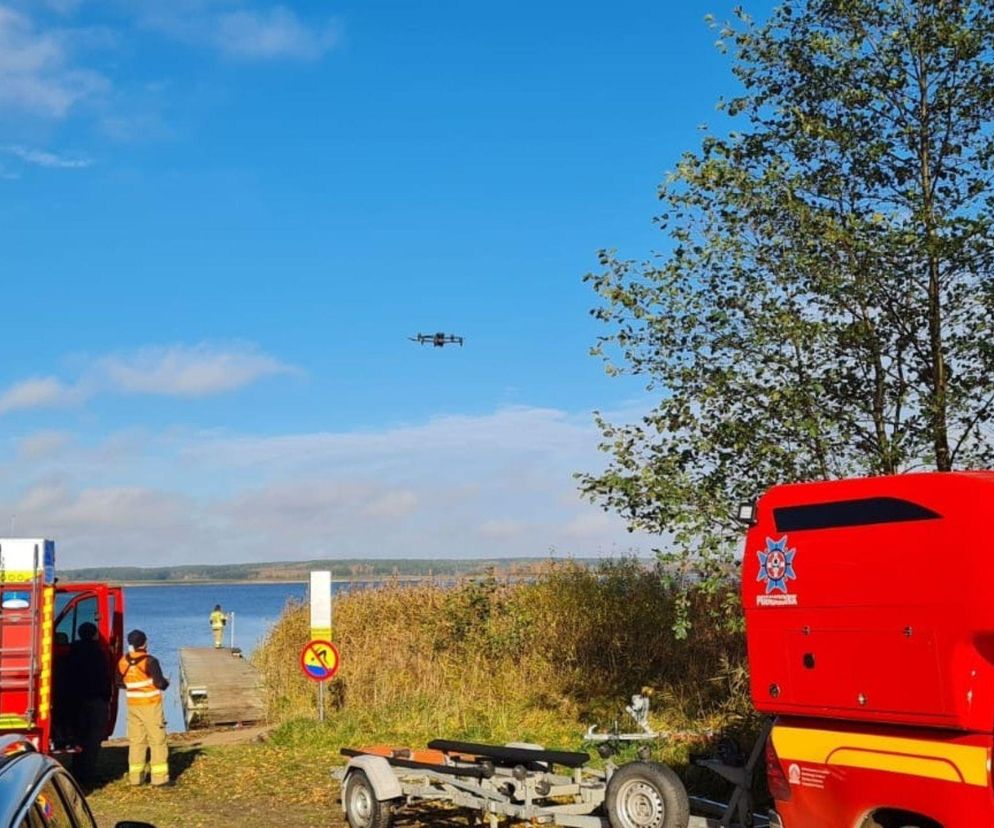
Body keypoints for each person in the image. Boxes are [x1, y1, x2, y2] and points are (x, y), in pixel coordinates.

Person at [116, 629, 170, 787]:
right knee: (157, 740)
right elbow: (159, 683)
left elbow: (119, 682)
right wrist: (167, 683)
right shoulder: (150, 661)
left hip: (133, 705)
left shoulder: (123, 661)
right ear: (145, 643)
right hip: (151, 705)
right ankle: (159, 779)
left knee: (136, 741)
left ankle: (136, 778)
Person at [66, 622, 111, 785]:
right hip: (94, 700)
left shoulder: (72, 651)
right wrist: (107, 697)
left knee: (79, 736)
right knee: (93, 738)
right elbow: (103, 677)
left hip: (76, 701)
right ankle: (87, 774)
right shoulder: (97, 652)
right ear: (93, 634)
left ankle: (76, 770)